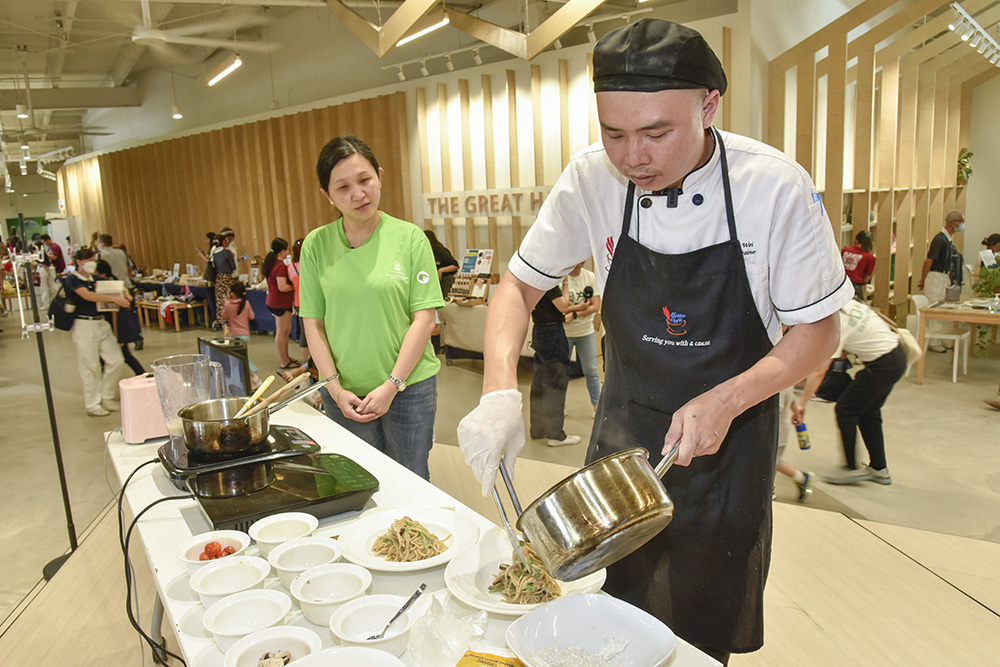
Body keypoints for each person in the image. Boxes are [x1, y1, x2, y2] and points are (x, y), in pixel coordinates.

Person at [457, 20, 852, 663]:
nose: (632, 157)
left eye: (656, 132)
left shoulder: (772, 187)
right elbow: (516, 289)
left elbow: (818, 333)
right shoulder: (590, 179)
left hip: (730, 439)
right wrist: (500, 389)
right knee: (612, 606)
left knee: (703, 615)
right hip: (628, 432)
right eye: (614, 133)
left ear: (709, 105)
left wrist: (726, 401)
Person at [300, 135, 444, 480]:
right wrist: (334, 389)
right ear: (327, 195)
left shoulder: (410, 238)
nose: (358, 194)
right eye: (343, 187)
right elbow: (313, 324)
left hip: (409, 388)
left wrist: (391, 385)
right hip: (344, 393)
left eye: (364, 180)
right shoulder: (316, 245)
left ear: (379, 175)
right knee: (358, 483)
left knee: (410, 480)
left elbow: (423, 319)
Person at [791, 298, 907, 486]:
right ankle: (879, 468)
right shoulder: (847, 304)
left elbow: (820, 371)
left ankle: (851, 468)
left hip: (883, 365)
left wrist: (802, 403)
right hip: (895, 356)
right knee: (869, 412)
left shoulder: (836, 324)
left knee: (846, 410)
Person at [65, 248, 131, 416]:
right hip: (83, 325)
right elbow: (87, 296)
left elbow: (115, 286)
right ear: (79, 262)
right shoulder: (73, 280)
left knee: (116, 360)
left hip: (102, 323)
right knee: (90, 366)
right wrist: (114, 298)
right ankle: (92, 404)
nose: (92, 264)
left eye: (94, 260)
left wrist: (123, 292)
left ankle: (107, 396)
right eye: (89, 260)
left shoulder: (97, 279)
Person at [529, 285, 581, 447]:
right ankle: (555, 434)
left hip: (539, 329)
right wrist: (565, 283)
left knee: (539, 382)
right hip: (552, 332)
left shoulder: (533, 278)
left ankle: (538, 429)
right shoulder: (549, 281)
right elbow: (564, 306)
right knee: (555, 383)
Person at [561, 261, 602, 412]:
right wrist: (574, 310)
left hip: (586, 332)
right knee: (562, 371)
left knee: (591, 370)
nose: (581, 260)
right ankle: (561, 407)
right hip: (565, 334)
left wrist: (575, 314)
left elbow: (595, 306)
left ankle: (597, 407)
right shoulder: (561, 278)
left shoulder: (589, 277)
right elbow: (560, 308)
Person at [94, 260, 144, 376]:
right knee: (123, 356)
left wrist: (118, 336)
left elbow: (115, 313)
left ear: (103, 274)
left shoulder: (109, 287)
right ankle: (142, 375)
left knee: (125, 355)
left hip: (117, 327)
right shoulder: (112, 282)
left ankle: (143, 375)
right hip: (113, 327)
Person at [262, 237, 299, 370]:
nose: (288, 252)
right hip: (280, 303)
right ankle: (284, 360)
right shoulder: (280, 266)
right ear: (282, 251)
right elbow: (282, 287)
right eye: (287, 249)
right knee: (282, 331)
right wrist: (295, 285)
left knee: (283, 331)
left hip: (274, 301)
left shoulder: (271, 264)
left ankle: (286, 357)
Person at [220, 280, 262, 389]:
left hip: (236, 336)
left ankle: (254, 376)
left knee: (242, 358)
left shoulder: (230, 306)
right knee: (242, 357)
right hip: (246, 335)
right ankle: (250, 379)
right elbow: (251, 316)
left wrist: (226, 305)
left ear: (233, 293)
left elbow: (224, 316)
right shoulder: (246, 303)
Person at [285, 238, 310, 365]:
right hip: (311, 300)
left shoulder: (291, 267)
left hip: (299, 301)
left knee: (303, 332)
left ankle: (305, 360)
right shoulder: (310, 263)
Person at [212, 229, 237, 328]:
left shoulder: (214, 253)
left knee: (219, 299)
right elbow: (233, 267)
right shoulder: (227, 253)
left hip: (218, 277)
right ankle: (229, 319)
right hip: (227, 277)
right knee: (228, 298)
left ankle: (221, 319)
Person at [424, 229, 459, 297]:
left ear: (429, 239)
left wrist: (441, 270)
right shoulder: (425, 251)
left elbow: (455, 265)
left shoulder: (440, 251)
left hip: (445, 281)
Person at [841, 230, 875, 300]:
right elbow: (866, 279)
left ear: (856, 240)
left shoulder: (844, 250)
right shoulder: (870, 257)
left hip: (841, 285)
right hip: (855, 287)